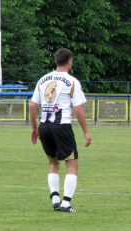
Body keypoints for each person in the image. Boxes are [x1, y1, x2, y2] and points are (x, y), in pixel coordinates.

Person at [29, 48, 92, 213]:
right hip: (61, 126)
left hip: (45, 126)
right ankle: (66, 203)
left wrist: (35, 129)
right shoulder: (71, 81)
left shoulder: (43, 79)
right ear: (70, 61)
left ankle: (55, 199)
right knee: (72, 164)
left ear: (56, 61)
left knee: (53, 163)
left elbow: (32, 105)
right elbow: (78, 109)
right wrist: (86, 132)